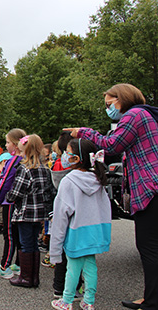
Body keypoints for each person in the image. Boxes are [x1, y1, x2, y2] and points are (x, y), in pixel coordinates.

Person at [65, 83, 158, 310]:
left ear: (122, 98)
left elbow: (112, 144)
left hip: (150, 187)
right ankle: (151, 296)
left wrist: (83, 132)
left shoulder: (134, 115)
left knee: (148, 246)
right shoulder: (148, 115)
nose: (108, 108)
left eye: (110, 103)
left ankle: (153, 300)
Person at [50, 139, 111, 310]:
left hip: (76, 232)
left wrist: (55, 247)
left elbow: (61, 215)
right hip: (95, 231)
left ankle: (67, 300)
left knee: (73, 267)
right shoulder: (98, 179)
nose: (64, 156)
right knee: (90, 266)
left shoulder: (69, 181)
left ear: (76, 158)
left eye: (68, 152)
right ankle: (89, 301)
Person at [6, 134, 56, 288]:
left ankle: (26, 277)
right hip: (39, 213)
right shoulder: (44, 169)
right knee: (33, 244)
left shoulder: (24, 169)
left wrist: (8, 196)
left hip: (25, 212)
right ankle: (33, 277)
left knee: (26, 244)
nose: (19, 155)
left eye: (21, 152)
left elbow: (16, 193)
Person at [0, 128, 26, 279]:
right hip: (19, 202)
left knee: (9, 234)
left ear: (16, 144)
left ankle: (5, 266)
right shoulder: (25, 160)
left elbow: (5, 182)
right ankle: (17, 264)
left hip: (9, 201)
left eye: (8, 142)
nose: (6, 146)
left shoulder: (14, 161)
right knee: (17, 235)